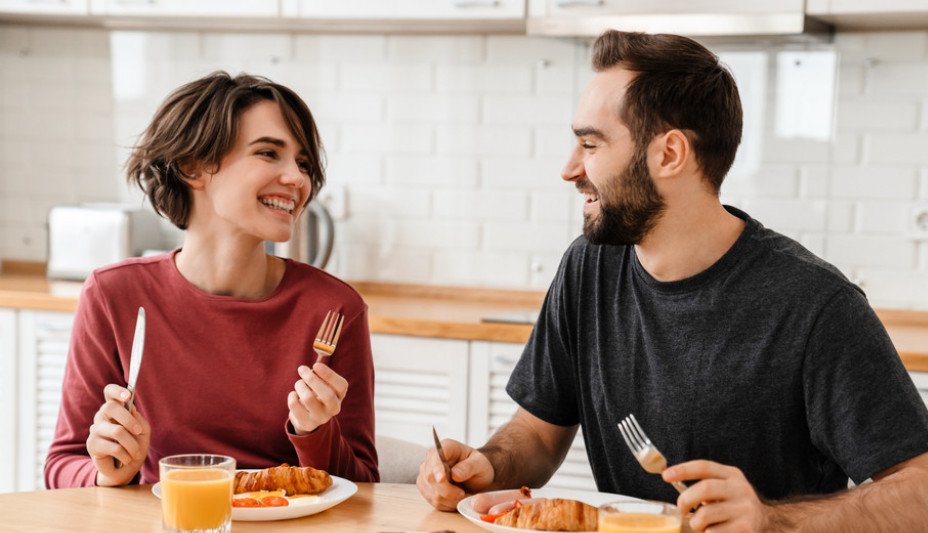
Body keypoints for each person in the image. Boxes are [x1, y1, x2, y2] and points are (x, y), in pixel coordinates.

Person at [417, 31, 928, 532]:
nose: (570, 169)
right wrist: (487, 466)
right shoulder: (589, 268)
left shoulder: (815, 306)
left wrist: (772, 520)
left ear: (669, 154)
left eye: (590, 144)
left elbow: (920, 490)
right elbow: (538, 431)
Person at [45, 71, 379, 488]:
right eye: (268, 153)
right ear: (193, 166)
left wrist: (315, 434)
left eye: (303, 162)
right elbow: (63, 464)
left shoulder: (334, 308)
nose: (297, 178)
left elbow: (365, 486)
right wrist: (109, 471)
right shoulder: (115, 294)